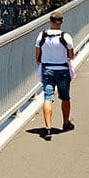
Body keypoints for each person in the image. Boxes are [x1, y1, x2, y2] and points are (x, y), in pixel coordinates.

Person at [35, 11, 75, 140]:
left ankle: (48, 129)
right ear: (61, 22)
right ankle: (66, 123)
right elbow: (70, 55)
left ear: (50, 21)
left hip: (47, 69)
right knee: (65, 98)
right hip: (62, 69)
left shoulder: (42, 35)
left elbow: (37, 55)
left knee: (48, 97)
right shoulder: (66, 37)